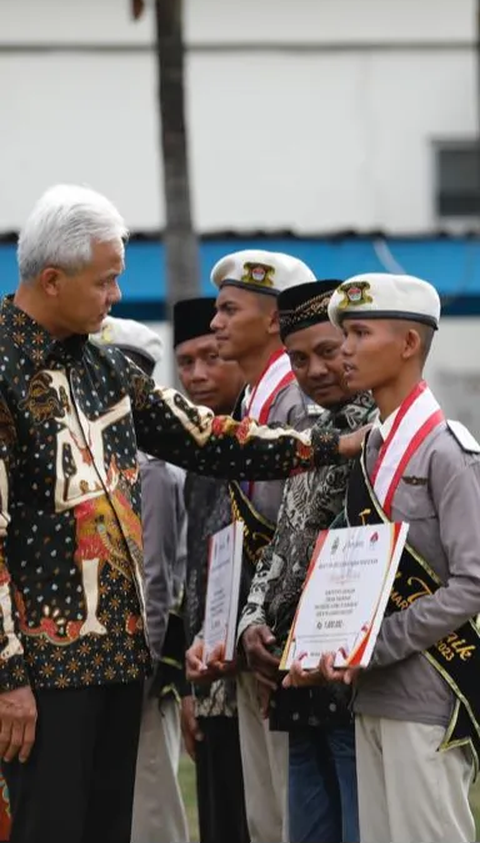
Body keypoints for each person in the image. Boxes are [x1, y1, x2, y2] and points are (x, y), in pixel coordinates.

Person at [0, 184, 360, 843]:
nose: (114, 298)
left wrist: (328, 444)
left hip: (118, 660)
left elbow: (208, 436)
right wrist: (6, 675)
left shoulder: (104, 368)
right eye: (106, 281)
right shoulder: (2, 370)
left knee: (109, 828)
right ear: (53, 280)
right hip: (39, 672)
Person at [288, 272, 480, 843]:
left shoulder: (448, 451)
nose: (344, 350)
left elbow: (472, 583)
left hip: (427, 693)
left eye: (359, 333)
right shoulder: (370, 447)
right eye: (344, 334)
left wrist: (377, 643)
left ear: (408, 344)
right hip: (367, 692)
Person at [238, 279, 376, 843]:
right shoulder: (308, 436)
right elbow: (280, 544)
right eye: (298, 358)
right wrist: (250, 623)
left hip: (350, 678)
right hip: (292, 678)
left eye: (328, 351)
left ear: (354, 345)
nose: (315, 369)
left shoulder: (387, 435)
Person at [205, 249, 317, 843]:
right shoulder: (253, 402)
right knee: (264, 813)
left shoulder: (295, 401)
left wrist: (279, 629)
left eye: (229, 309)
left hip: (281, 643)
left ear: (274, 319)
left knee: (287, 813)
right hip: (254, 636)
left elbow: (301, 528)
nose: (215, 323)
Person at [91, 315, 189, 843]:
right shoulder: (94, 463)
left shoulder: (151, 467)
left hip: (140, 668)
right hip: (96, 663)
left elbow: (156, 579)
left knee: (151, 802)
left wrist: (143, 670)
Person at [174, 297, 249, 843]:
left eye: (209, 356)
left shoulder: (262, 445)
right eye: (185, 362)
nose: (197, 375)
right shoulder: (198, 457)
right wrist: (187, 689)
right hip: (209, 679)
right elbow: (190, 584)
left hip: (255, 672)